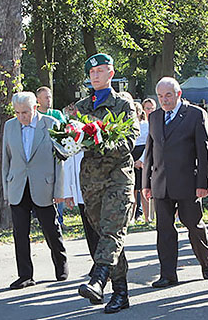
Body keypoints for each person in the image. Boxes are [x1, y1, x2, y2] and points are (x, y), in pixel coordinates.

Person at [75, 53, 139, 314]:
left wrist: (102, 140)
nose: (96, 76)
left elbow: (130, 142)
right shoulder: (81, 106)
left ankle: (98, 278)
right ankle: (120, 293)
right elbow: (72, 139)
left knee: (112, 232)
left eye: (100, 71)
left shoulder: (123, 103)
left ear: (111, 74)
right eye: (92, 73)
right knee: (109, 238)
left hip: (117, 179)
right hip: (91, 183)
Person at [142, 77, 208, 288]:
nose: (164, 100)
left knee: (193, 225)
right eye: (161, 96)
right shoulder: (154, 117)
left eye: (168, 96)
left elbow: (204, 150)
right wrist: (146, 183)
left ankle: (205, 261)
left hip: (187, 183)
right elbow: (150, 152)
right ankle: (168, 274)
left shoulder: (194, 114)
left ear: (178, 94)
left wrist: (204, 182)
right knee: (164, 230)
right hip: (160, 183)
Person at [1, 92, 68, 290]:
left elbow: (60, 160)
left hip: (44, 185)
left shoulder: (50, 124)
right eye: (18, 112)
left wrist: (59, 190)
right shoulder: (10, 126)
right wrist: (7, 189)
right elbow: (6, 159)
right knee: (20, 233)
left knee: (51, 229)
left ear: (35, 107)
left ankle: (61, 264)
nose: (22, 116)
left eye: (25, 112)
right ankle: (25, 275)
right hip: (18, 185)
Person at [61, 104, 99, 276]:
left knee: (100, 229)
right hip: (80, 191)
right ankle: (96, 261)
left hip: (95, 190)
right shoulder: (70, 134)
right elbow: (68, 165)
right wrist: (68, 192)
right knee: (89, 230)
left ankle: (103, 263)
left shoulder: (93, 134)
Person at [36, 86, 68, 228]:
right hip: (40, 160)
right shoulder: (34, 117)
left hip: (56, 157)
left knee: (58, 187)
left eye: (50, 97)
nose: (49, 100)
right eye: (46, 97)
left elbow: (65, 131)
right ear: (38, 100)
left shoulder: (57, 114)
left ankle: (59, 219)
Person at [132, 102, 149, 223]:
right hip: (131, 156)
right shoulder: (127, 126)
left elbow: (149, 144)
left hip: (142, 156)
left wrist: (141, 160)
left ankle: (147, 217)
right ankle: (131, 216)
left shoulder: (146, 125)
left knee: (144, 188)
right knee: (132, 190)